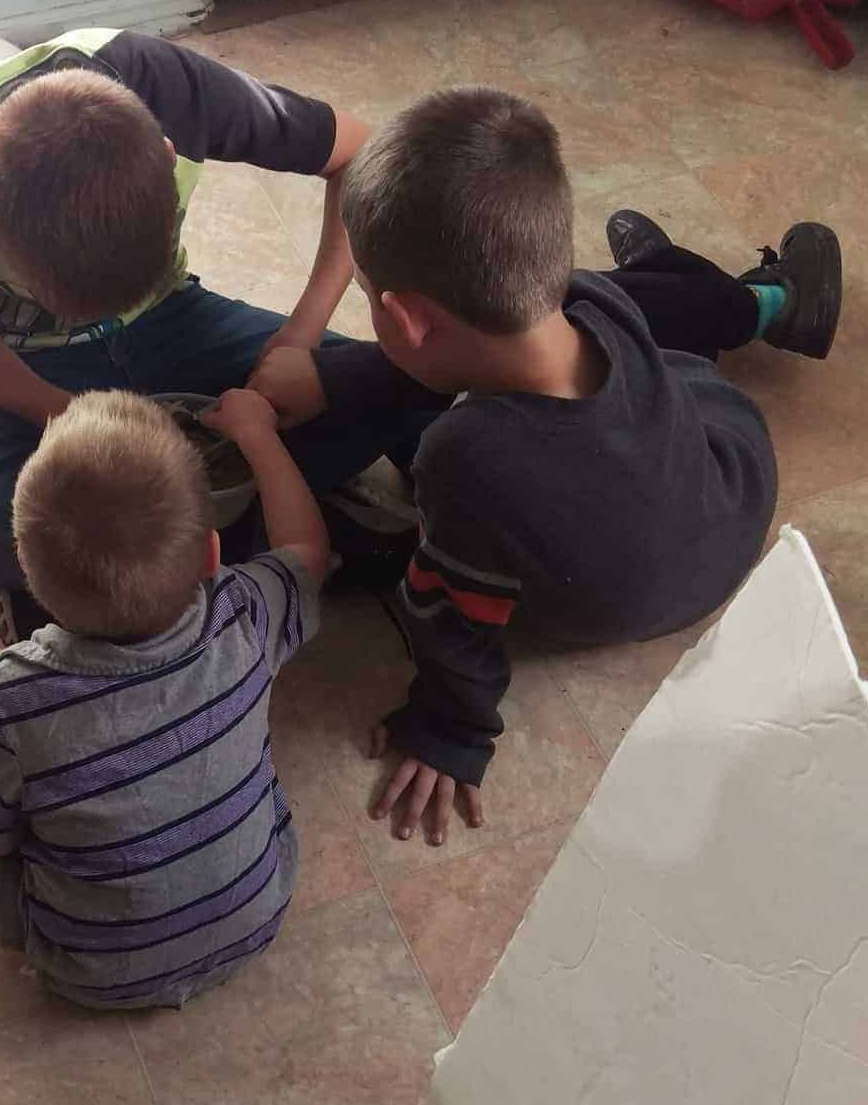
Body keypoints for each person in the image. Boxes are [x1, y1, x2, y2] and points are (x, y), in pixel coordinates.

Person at [248, 87, 842, 847]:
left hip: (652, 558)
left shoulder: (465, 457)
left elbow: (452, 615)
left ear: (404, 316)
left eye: (368, 300)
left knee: (428, 416)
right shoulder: (586, 298)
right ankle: (725, 290)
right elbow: (428, 357)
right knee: (645, 310)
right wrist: (334, 378)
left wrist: (450, 729)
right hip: (728, 495)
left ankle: (736, 292)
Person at [0, 27, 420, 639]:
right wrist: (58, 410)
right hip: (23, 360)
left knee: (389, 384)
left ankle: (96, 588)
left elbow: (363, 156)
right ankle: (282, 526)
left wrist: (301, 335)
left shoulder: (173, 87)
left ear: (166, 152)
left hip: (174, 319)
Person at [0, 386, 331, 1010]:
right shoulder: (246, 613)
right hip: (259, 911)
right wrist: (258, 434)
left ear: (30, 580)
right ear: (212, 553)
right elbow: (309, 554)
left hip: (98, 973)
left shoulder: (14, 696)